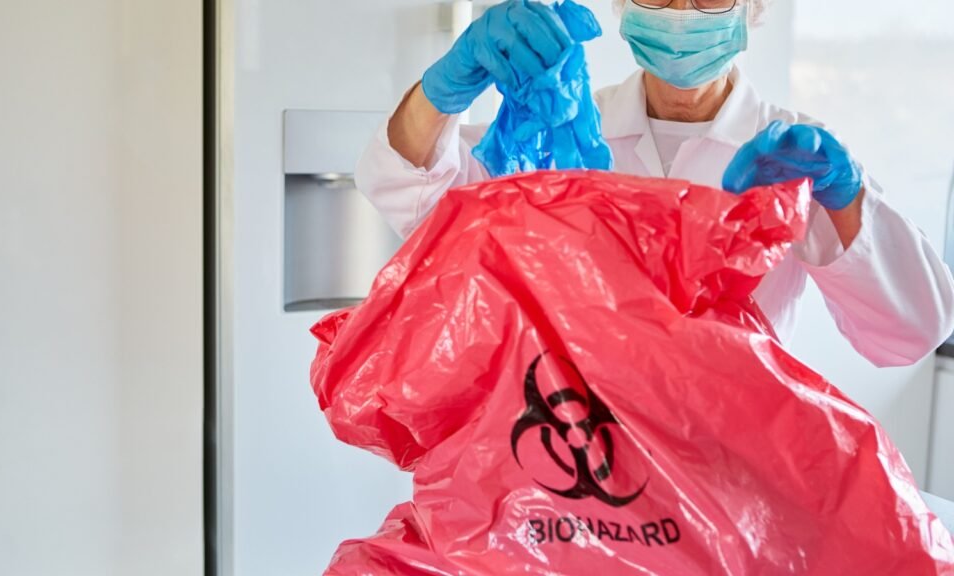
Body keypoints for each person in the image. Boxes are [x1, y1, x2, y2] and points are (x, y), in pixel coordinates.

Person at [354, 0, 954, 367]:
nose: (681, 13)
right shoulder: (560, 133)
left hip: (728, 484)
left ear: (751, 7)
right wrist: (443, 89)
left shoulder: (794, 152)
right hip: (571, 470)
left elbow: (911, 332)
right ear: (626, 7)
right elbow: (415, 199)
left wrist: (845, 198)